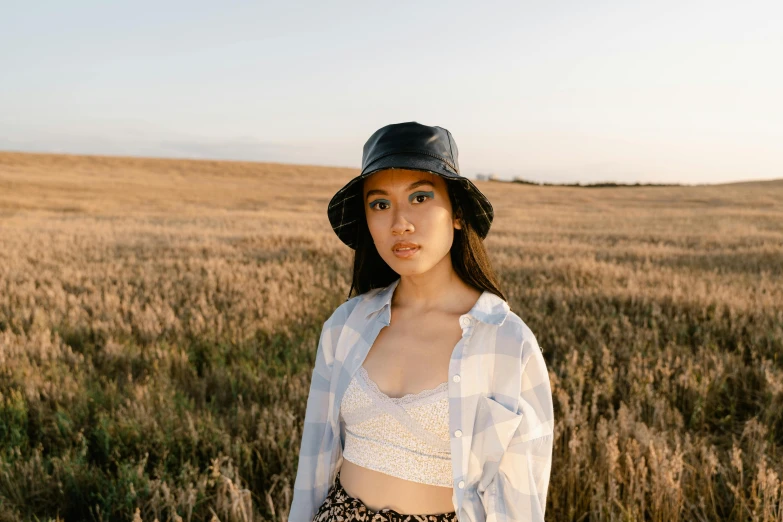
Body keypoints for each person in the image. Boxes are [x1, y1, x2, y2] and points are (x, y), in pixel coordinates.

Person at [288, 122, 554, 522]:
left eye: (420, 197)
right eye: (379, 204)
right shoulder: (345, 326)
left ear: (458, 214)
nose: (400, 222)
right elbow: (315, 459)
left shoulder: (505, 341)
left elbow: (520, 494)